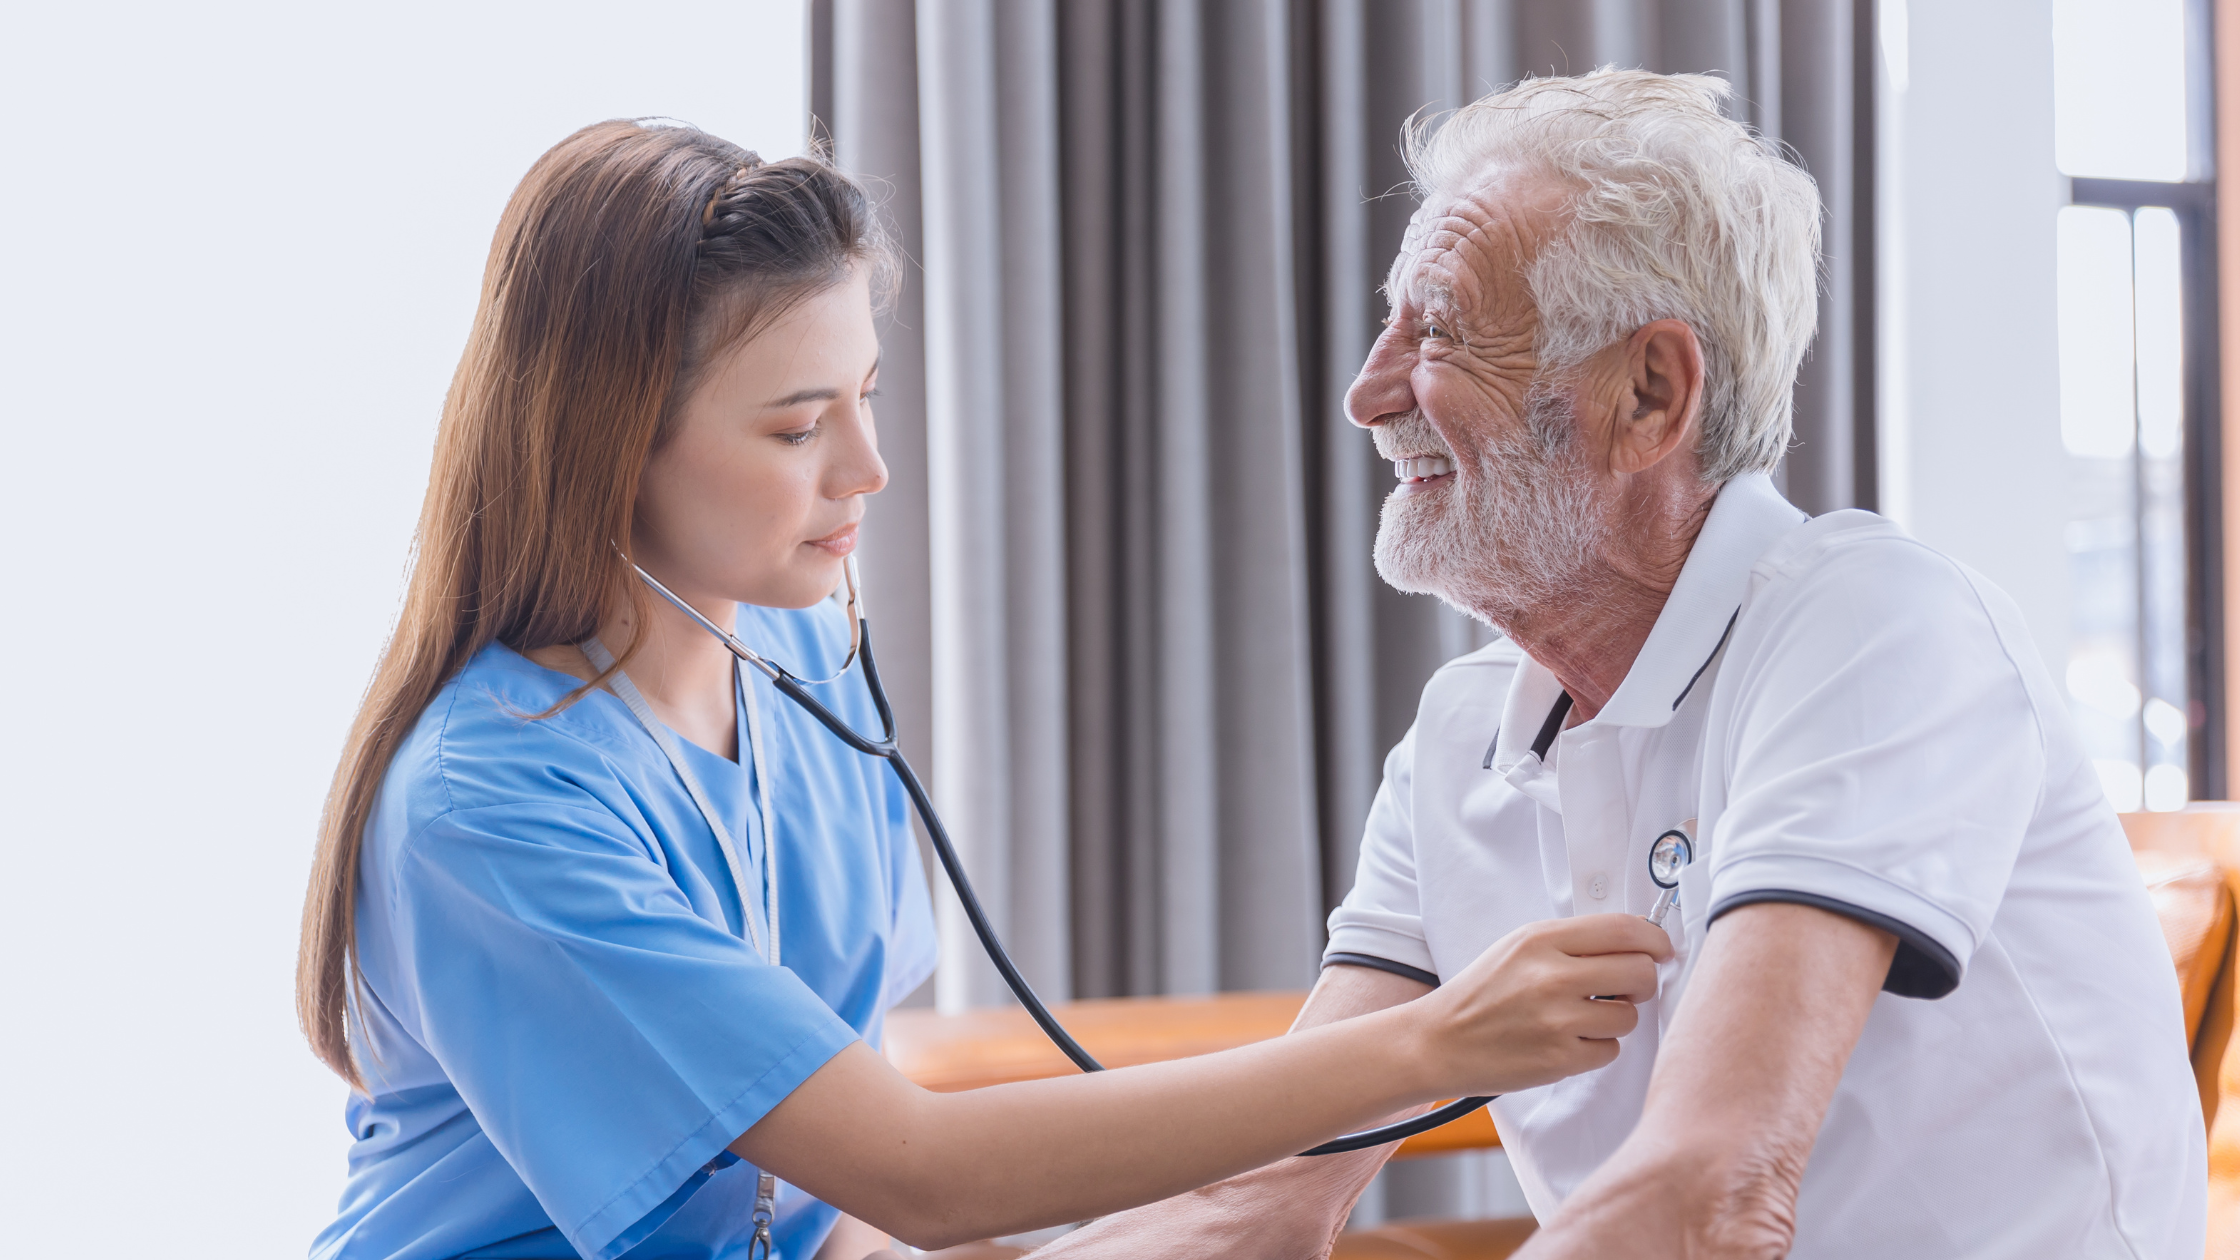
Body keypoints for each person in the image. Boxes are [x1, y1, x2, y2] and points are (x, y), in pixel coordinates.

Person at [296, 119, 1674, 1260]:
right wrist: (1426, 1048)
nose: (867, 471)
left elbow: (818, 1194)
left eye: (867, 395)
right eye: (797, 424)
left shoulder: (802, 688)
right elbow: (918, 1169)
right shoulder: (491, 808)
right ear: (610, 446)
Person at [1036, 69, 2207, 1260]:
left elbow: (1707, 1197)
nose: (1367, 392)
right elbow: (1264, 1199)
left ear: (1648, 393)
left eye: (1437, 329)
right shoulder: (1459, 735)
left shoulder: (1876, 625)